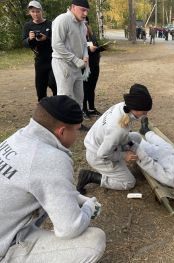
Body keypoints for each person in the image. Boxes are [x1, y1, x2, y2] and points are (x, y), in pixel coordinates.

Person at [0, 95, 105, 262]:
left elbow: (46, 186)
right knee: (95, 241)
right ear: (62, 131)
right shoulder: (52, 159)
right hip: (4, 246)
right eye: (77, 130)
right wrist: (88, 209)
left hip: (6, 227)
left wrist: (80, 199)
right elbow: (69, 228)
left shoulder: (20, 138)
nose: (77, 135)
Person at [76, 84, 153, 194]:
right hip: (98, 156)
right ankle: (90, 176)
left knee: (136, 137)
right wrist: (124, 155)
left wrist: (131, 146)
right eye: (144, 111)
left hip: (102, 143)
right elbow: (102, 154)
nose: (146, 114)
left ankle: (121, 161)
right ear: (134, 108)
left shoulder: (123, 106)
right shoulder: (118, 129)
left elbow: (123, 137)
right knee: (129, 182)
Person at [51, 0, 89, 111]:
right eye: (83, 10)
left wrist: (85, 55)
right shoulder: (62, 19)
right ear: (73, 7)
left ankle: (77, 124)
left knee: (79, 96)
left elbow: (84, 44)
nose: (85, 14)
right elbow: (56, 44)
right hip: (63, 63)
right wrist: (76, 60)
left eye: (87, 11)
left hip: (77, 65)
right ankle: (64, 126)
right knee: (65, 96)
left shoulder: (82, 25)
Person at [22, 1, 57, 101]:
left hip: (52, 59)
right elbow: (24, 43)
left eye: (37, 11)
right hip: (39, 60)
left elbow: (58, 41)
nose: (35, 14)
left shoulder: (50, 24)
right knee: (40, 89)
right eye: (33, 11)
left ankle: (57, 106)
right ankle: (43, 109)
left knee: (54, 84)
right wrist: (29, 39)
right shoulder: (27, 26)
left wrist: (46, 39)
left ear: (41, 11)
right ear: (29, 12)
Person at [83, 16, 105, 118]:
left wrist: (101, 48)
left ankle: (91, 108)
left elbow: (95, 46)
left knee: (92, 88)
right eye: (83, 22)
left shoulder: (92, 35)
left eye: (86, 22)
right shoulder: (77, 35)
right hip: (85, 67)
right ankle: (84, 110)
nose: (85, 24)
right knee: (85, 89)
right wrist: (88, 48)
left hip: (95, 65)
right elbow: (76, 48)